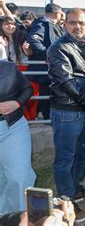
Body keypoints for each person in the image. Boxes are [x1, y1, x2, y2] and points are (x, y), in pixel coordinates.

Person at [47, 8, 85, 222]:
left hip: (83, 111)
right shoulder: (59, 48)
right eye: (73, 22)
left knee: (81, 154)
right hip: (66, 111)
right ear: (64, 24)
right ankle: (65, 202)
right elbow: (66, 81)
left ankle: (74, 188)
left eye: (81, 23)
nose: (77, 26)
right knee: (65, 158)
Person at [0, 61, 35, 215]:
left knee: (19, 176)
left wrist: (17, 102)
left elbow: (27, 89)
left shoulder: (8, 67)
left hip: (12, 127)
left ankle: (19, 217)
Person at [27, 3, 65, 120]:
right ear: (57, 13)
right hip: (45, 69)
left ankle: (49, 115)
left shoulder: (52, 24)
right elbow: (33, 40)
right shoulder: (42, 23)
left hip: (53, 68)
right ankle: (47, 116)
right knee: (46, 92)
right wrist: (48, 55)